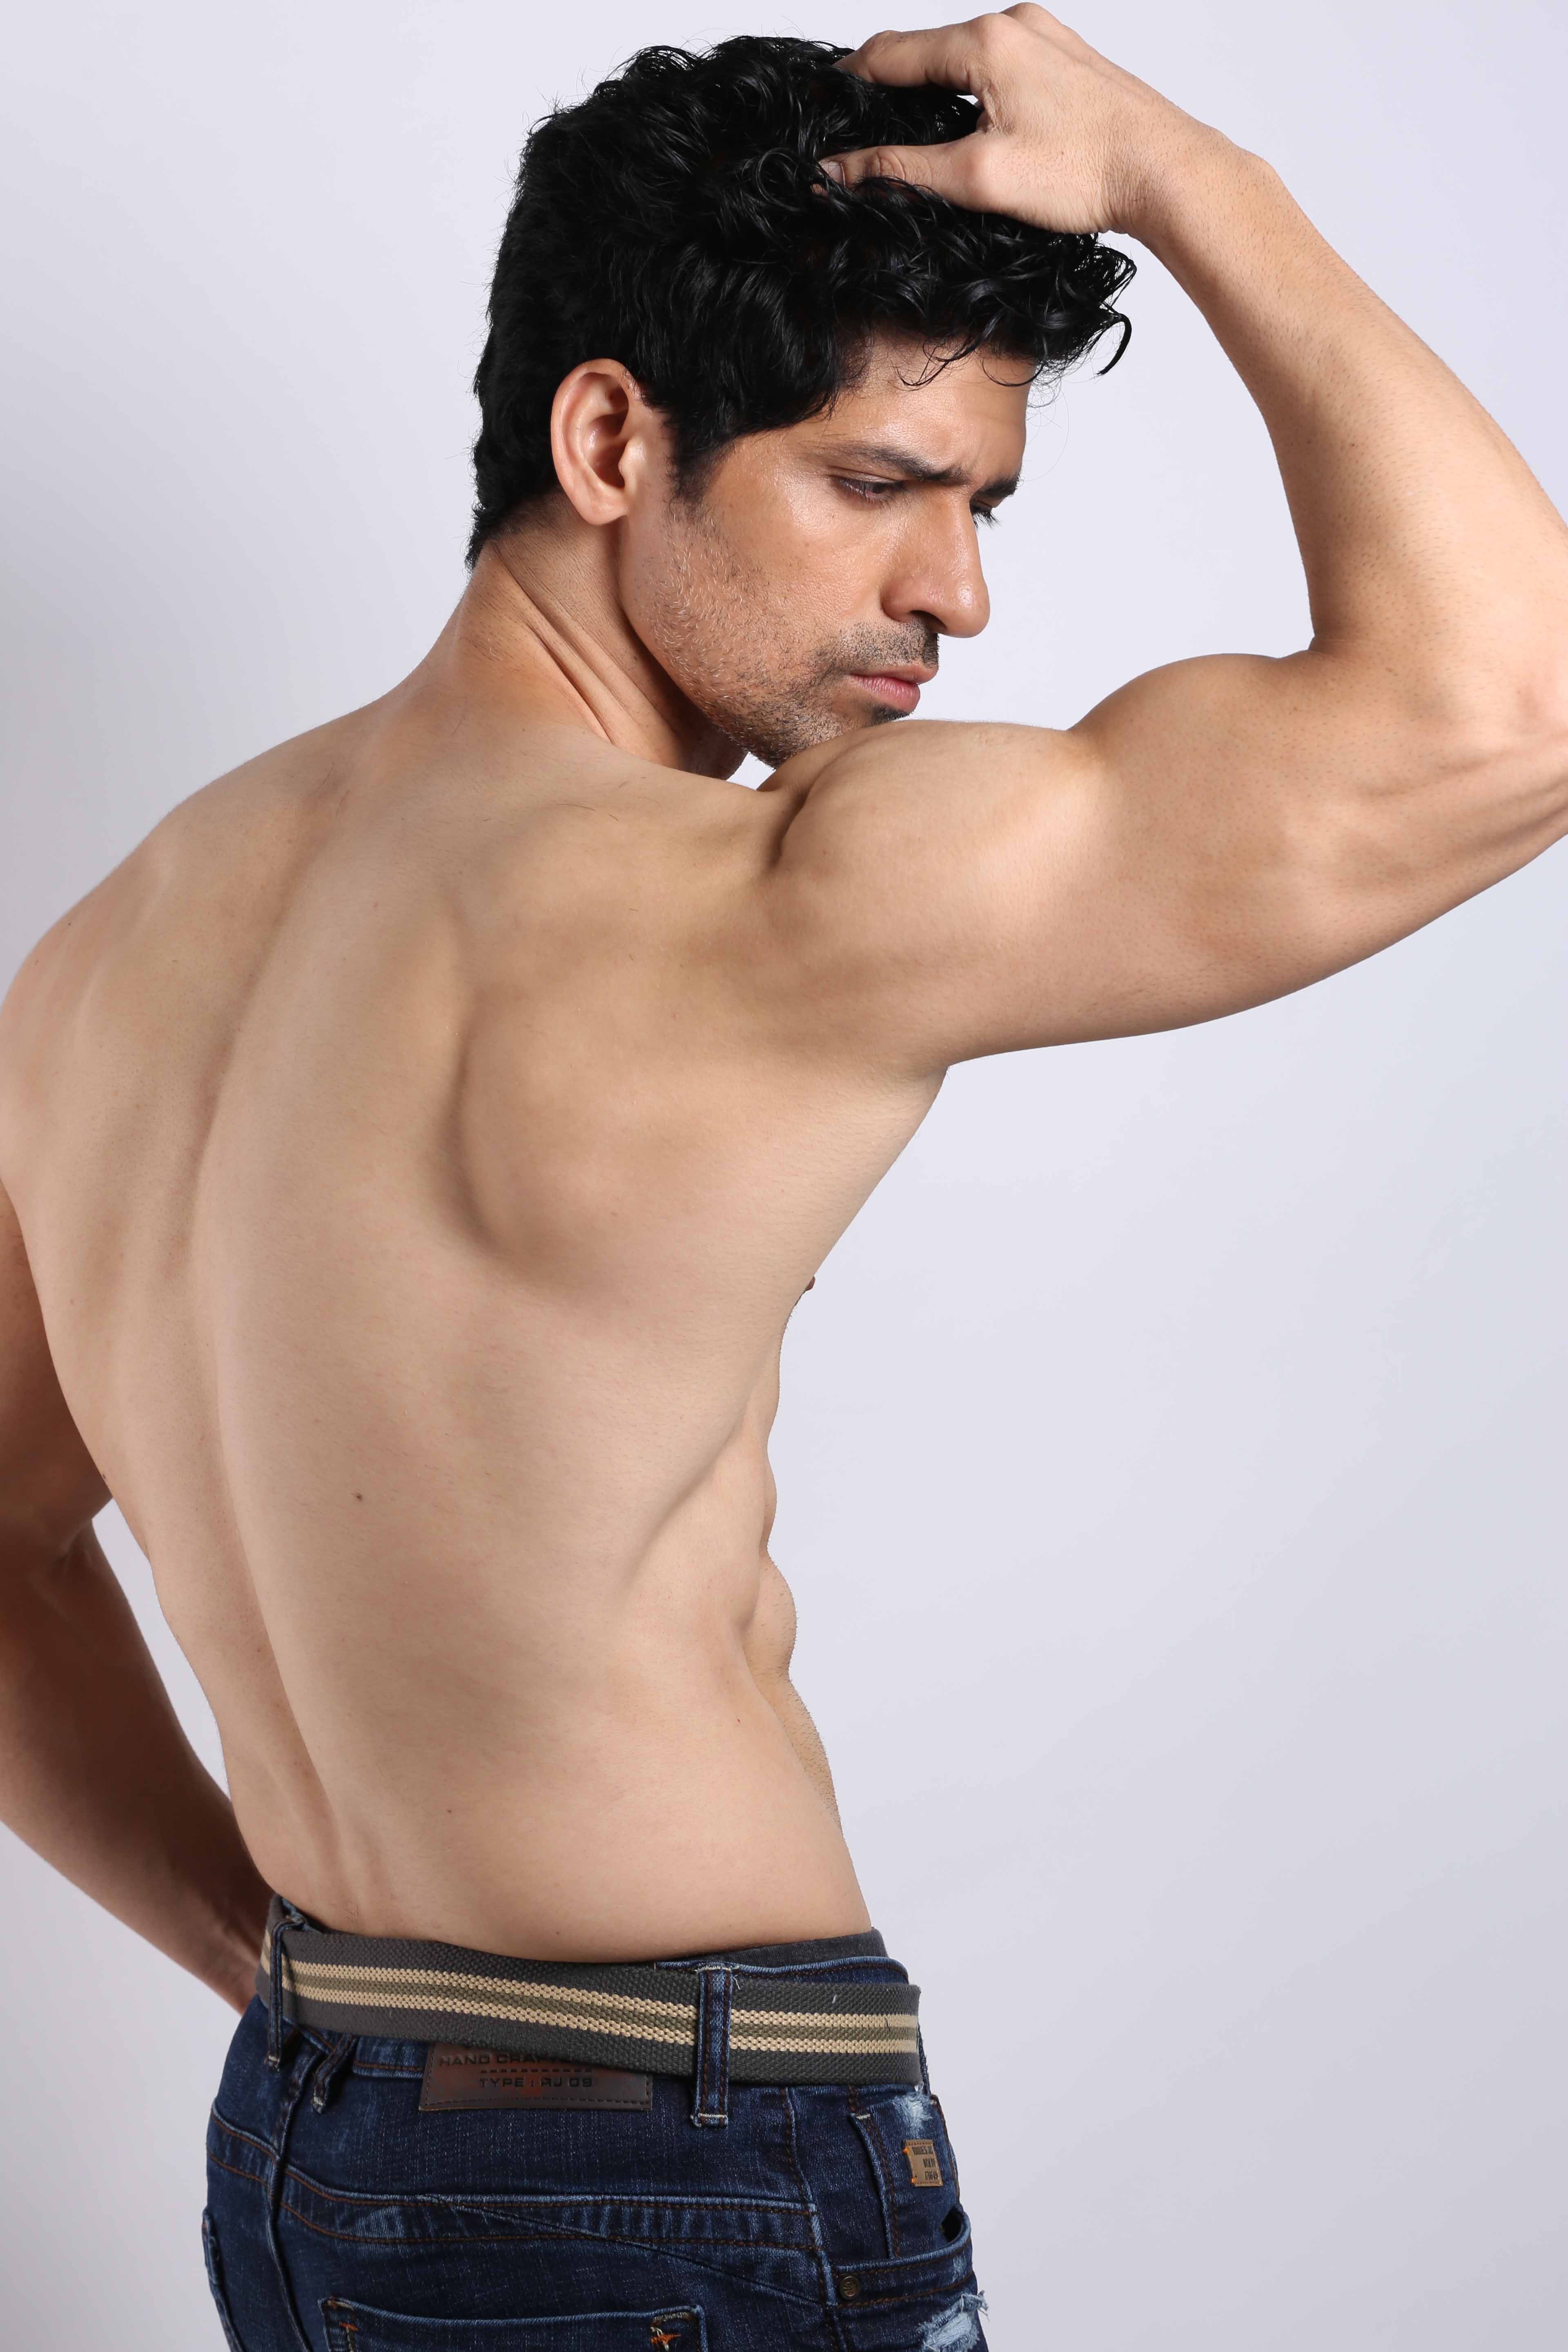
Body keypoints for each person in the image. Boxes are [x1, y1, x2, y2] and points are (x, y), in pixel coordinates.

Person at [1, 11, 1564, 2347]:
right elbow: (1508, 714)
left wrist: (296, 1978)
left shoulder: (117, 941)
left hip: (322, 2155)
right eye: (877, 483)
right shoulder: (775, 900)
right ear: (611, 439)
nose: (959, 592)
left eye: (986, 505)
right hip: (690, 2161)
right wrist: (1181, 171)